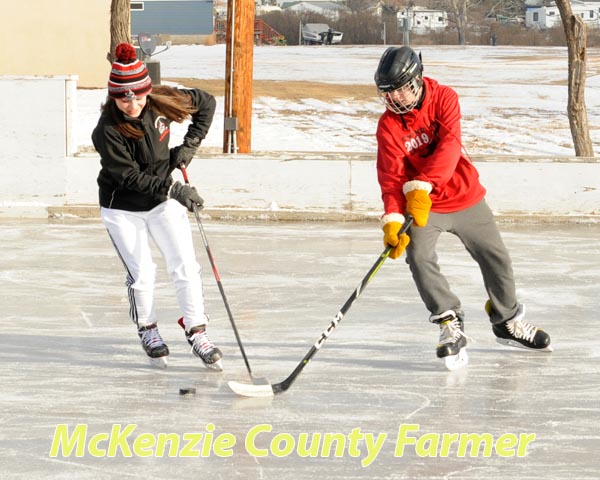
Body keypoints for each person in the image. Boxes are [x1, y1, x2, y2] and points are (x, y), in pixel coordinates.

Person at [373, 46, 552, 370]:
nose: (396, 98)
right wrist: (393, 219)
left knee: (497, 258)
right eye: (389, 92)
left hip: (463, 196)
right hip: (423, 208)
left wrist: (423, 184)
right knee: (419, 257)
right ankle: (448, 322)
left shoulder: (444, 98)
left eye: (401, 88)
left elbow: (450, 146)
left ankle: (506, 321)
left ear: (417, 80)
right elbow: (391, 178)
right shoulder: (389, 126)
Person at [92, 43, 222, 370]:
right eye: (123, 97)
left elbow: (206, 103)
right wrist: (175, 188)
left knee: (185, 265)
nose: (132, 102)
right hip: (122, 207)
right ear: (113, 97)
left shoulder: (161, 101)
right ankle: (147, 328)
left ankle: (196, 330)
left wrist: (188, 147)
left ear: (147, 90)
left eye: (137, 94)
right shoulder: (107, 131)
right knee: (142, 272)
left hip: (162, 201)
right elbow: (129, 177)